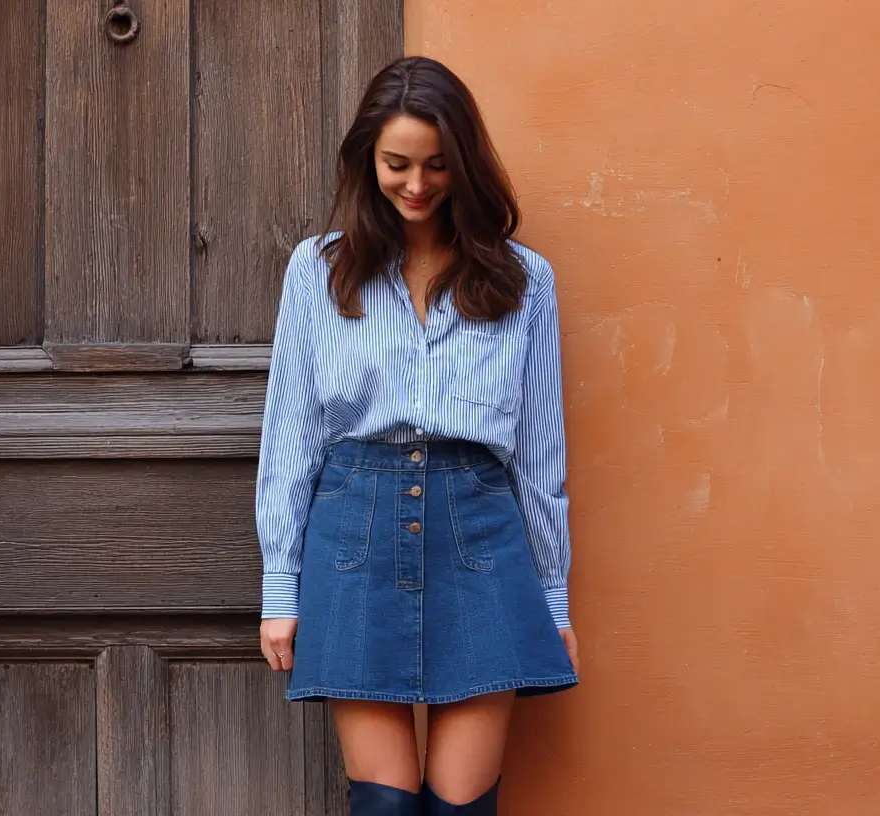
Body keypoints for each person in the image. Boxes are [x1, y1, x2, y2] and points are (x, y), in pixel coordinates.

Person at [255, 56, 581, 815]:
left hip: (481, 537)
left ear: (463, 163)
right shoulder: (317, 272)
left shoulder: (523, 281)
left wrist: (554, 599)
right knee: (385, 805)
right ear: (368, 161)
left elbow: (538, 459)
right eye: (397, 163)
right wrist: (280, 584)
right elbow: (292, 435)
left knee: (462, 806)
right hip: (353, 536)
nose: (416, 184)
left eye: (437, 165)